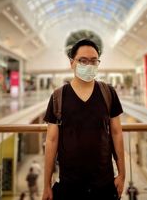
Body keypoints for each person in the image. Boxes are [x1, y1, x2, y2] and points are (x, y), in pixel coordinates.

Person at [42, 38, 125, 200]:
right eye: (83, 61)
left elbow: (117, 133)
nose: (89, 65)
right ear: (72, 63)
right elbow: (51, 141)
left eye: (94, 61)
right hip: (69, 185)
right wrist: (46, 185)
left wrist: (122, 174)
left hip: (104, 184)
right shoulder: (58, 97)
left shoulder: (108, 93)